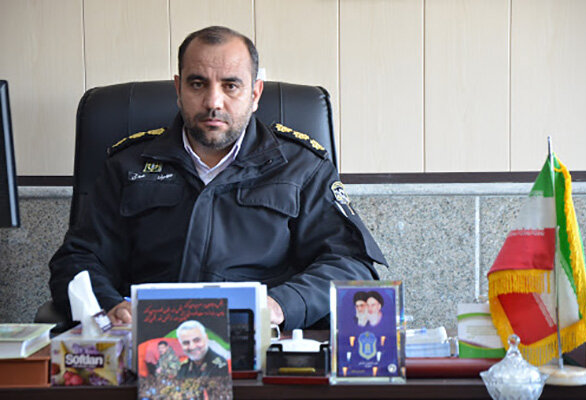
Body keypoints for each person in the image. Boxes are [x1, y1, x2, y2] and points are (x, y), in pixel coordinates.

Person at [49, 25, 387, 331]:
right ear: (178, 89)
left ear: (255, 94)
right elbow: (78, 259)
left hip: (259, 342)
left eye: (231, 86)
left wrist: (282, 305)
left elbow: (350, 265)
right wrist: (110, 307)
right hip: (150, 342)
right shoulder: (128, 165)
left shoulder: (301, 167)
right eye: (198, 84)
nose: (213, 102)